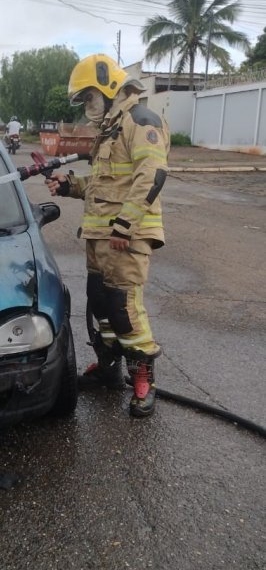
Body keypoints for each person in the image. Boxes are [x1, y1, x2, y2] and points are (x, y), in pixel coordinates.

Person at [45, 54, 170, 418]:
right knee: (99, 302)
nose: (87, 106)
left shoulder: (140, 121)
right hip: (101, 235)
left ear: (109, 87)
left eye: (89, 97)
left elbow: (153, 175)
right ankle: (109, 368)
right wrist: (68, 185)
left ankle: (143, 378)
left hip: (125, 234)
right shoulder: (110, 128)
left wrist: (125, 225)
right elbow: (102, 184)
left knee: (123, 305)